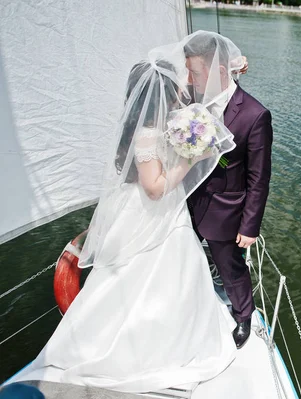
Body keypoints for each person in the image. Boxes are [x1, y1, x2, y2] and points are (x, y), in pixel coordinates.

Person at [10, 33, 246, 393]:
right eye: (175, 87)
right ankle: (147, 351)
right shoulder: (148, 133)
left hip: (139, 210)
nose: (181, 92)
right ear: (161, 92)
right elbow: (154, 187)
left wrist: (232, 70)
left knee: (132, 278)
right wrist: (191, 158)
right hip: (152, 209)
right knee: (163, 274)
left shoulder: (146, 124)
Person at [185, 31, 273, 349]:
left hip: (226, 210)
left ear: (219, 73)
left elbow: (259, 178)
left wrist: (250, 227)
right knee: (182, 257)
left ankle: (243, 315)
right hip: (187, 204)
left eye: (195, 72)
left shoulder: (254, 115)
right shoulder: (192, 102)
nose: (190, 79)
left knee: (231, 268)